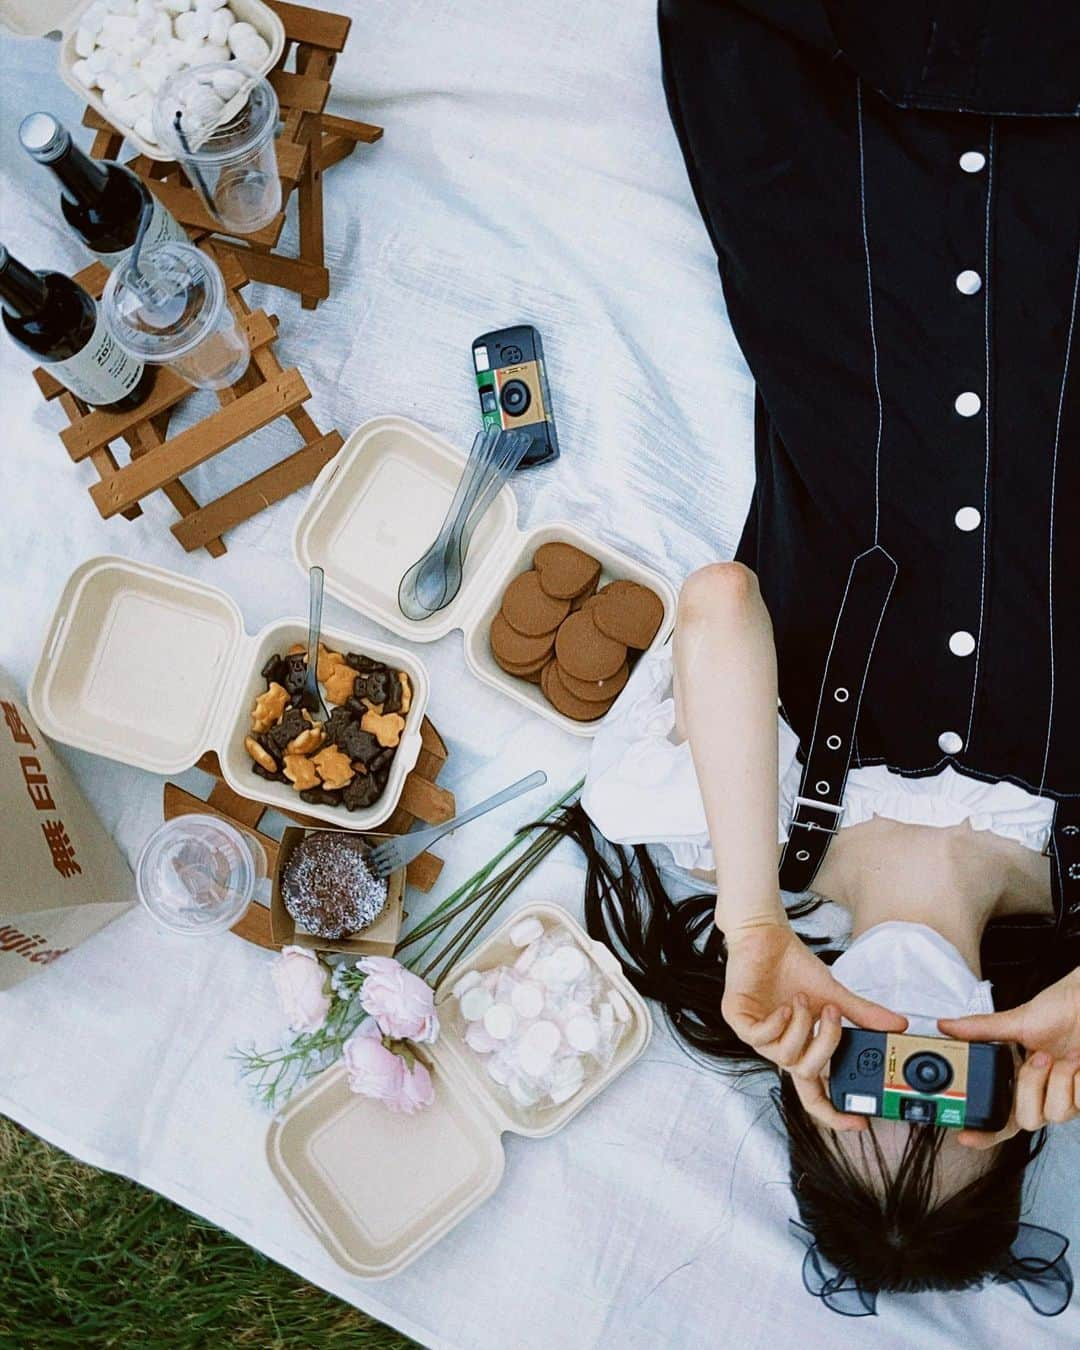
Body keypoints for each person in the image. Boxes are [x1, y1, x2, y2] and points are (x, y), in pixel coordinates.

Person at [561, 0, 1080, 1317]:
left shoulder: (739, 835)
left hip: (847, 184)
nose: (909, 1062)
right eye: (945, 1117)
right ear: (1017, 1111)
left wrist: (754, 922)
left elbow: (722, 605)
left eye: (867, 1104)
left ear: (806, 1087)